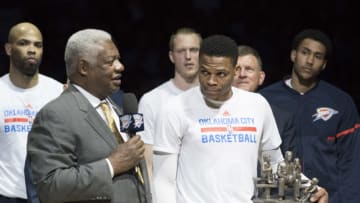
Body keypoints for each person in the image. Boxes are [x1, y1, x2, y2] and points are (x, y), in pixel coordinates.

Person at [152, 35, 328, 203]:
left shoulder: (257, 105)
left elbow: (275, 164)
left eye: (221, 74)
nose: (211, 81)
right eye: (205, 72)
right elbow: (163, 181)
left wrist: (310, 189)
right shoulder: (174, 109)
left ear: (235, 70)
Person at [27, 29, 149, 203]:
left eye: (119, 59)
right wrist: (111, 165)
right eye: (110, 61)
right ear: (84, 67)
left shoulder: (119, 106)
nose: (120, 66)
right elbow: (50, 186)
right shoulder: (55, 114)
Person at [259, 28, 359, 203]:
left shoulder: (341, 102)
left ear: (324, 64)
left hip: (328, 198)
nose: (310, 60)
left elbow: (352, 160)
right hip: (277, 198)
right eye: (305, 52)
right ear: (293, 55)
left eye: (318, 56)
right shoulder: (265, 99)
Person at [0, 22, 63, 203]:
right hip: (7, 195)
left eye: (38, 45)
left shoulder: (58, 92)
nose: (32, 50)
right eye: (23, 43)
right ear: (8, 49)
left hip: (50, 194)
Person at [138, 27, 202, 178]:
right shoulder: (151, 100)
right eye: (181, 51)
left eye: (194, 50)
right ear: (172, 56)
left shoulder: (215, 98)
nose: (188, 56)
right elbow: (147, 159)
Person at [232, 45, 297, 156]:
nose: (242, 74)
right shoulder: (214, 113)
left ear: (261, 78)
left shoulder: (282, 119)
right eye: (237, 69)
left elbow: (288, 165)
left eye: (249, 69)